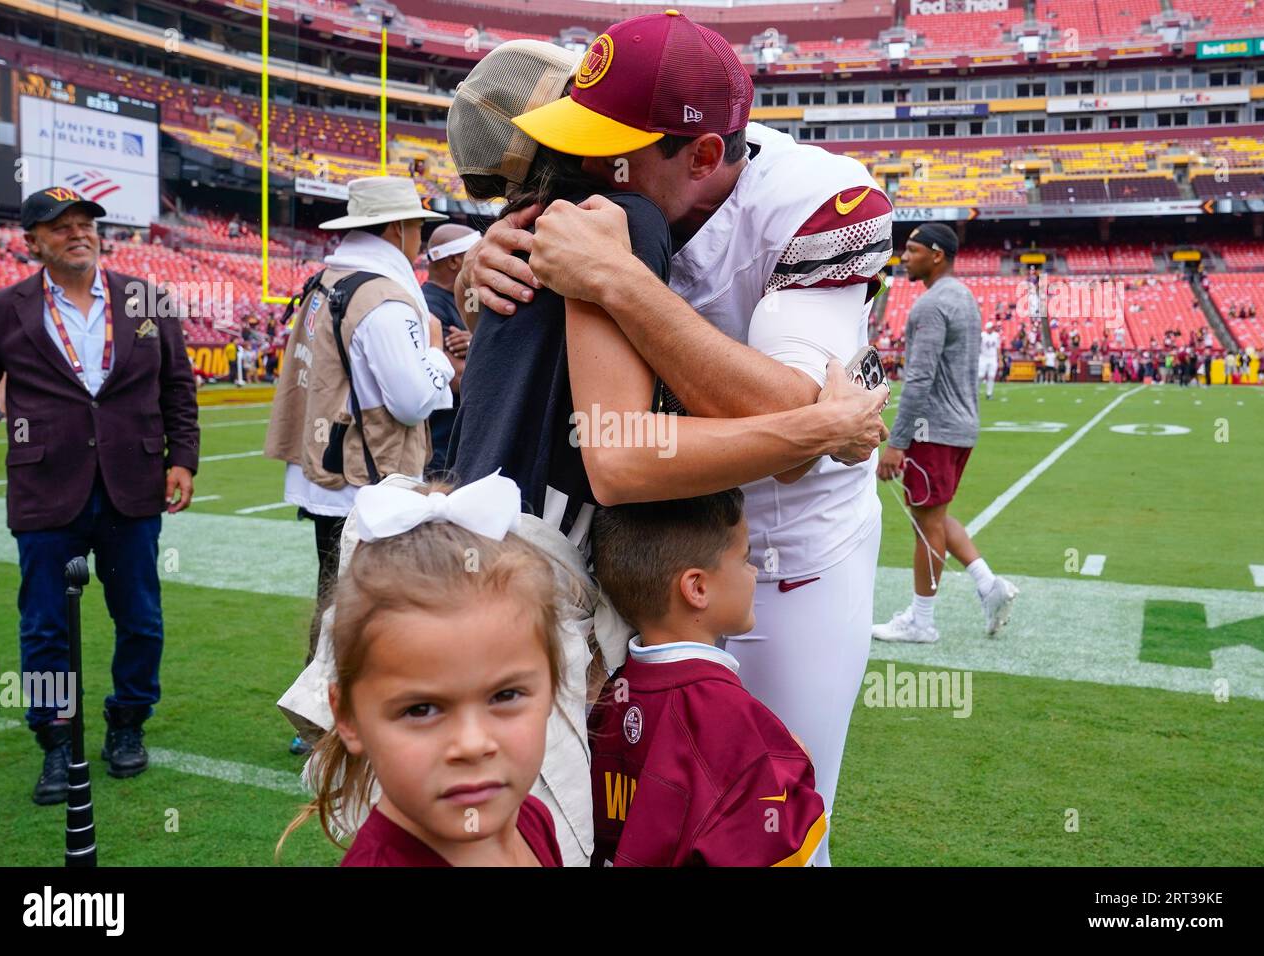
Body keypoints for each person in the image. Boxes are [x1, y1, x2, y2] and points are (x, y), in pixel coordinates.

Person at [467, 15, 894, 866]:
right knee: (628, 815)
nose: (591, 166)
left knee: (771, 817)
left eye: (614, 148)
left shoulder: (821, 202)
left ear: (703, 157)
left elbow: (789, 419)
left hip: (786, 549)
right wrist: (497, 254)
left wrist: (619, 283)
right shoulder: (611, 200)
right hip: (645, 543)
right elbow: (789, 424)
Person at [0, 186, 199, 802]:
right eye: (60, 226)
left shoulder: (146, 297)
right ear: (32, 243)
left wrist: (185, 460)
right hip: (46, 489)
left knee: (141, 618)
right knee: (45, 625)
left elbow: (177, 386)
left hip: (134, 484)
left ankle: (127, 722)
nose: (78, 233)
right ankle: (55, 740)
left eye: (85, 223)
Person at [278, 474, 562, 866]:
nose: (472, 744)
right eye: (420, 709)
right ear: (348, 717)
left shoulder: (531, 819)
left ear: (552, 686)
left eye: (506, 695)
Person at [265, 175, 455, 755]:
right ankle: (329, 718)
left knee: (339, 599)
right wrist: (439, 359)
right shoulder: (382, 296)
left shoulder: (328, 279)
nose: (419, 237)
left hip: (328, 471)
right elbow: (412, 398)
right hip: (366, 478)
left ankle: (323, 715)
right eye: (416, 225)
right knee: (364, 605)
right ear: (398, 229)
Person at [588, 490, 827, 866]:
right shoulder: (734, 718)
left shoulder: (611, 695)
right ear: (697, 588)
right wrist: (794, 765)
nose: (755, 571)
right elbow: (779, 845)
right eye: (745, 558)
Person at [872, 224, 1018, 644]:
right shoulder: (964, 297)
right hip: (960, 426)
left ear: (937, 254)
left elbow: (919, 379)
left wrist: (897, 442)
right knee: (932, 516)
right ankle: (989, 585)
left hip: (932, 428)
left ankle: (922, 621)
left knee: (925, 524)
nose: (904, 256)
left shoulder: (931, 306)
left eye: (913, 249)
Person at [419, 224, 478, 476]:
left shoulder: (463, 297)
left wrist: (474, 342)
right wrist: (483, 347)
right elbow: (457, 378)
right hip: (440, 444)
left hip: (457, 437)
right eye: (474, 252)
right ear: (455, 261)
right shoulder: (428, 305)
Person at [979, 319, 1000, 399]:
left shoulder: (996, 335)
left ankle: (989, 394)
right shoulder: (982, 335)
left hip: (993, 357)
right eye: (990, 327)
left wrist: (1000, 359)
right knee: (980, 376)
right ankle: (975, 392)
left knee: (991, 376)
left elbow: (998, 348)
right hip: (983, 357)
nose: (992, 329)